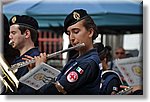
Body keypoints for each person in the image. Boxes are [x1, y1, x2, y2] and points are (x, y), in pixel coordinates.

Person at [25, 9, 102, 95]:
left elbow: (54, 92)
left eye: (76, 32)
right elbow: (56, 81)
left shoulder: (87, 63)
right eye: (69, 33)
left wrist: (40, 69)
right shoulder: (77, 59)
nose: (71, 38)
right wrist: (34, 72)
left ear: (90, 32)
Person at [5, 15, 40, 94]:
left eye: (13, 33)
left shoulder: (34, 58)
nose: (10, 36)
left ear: (27, 34)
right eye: (10, 33)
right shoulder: (20, 58)